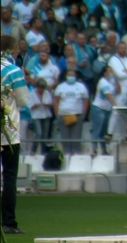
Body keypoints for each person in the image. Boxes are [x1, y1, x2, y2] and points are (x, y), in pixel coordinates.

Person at [1, 35, 29, 234]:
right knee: (9, 178)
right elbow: (23, 102)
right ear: (11, 50)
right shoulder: (13, 71)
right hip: (8, 133)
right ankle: (9, 223)